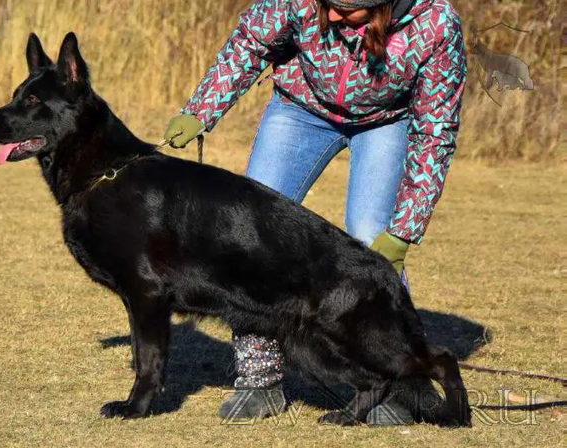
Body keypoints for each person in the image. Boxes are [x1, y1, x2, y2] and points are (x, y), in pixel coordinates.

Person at [163, 0, 466, 424]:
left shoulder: (435, 22)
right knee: (251, 237)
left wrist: (404, 229)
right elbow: (250, 41)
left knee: (371, 232)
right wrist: (200, 109)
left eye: (350, 12)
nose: (336, 17)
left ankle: (397, 386)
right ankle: (259, 379)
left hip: (386, 120)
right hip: (300, 108)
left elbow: (434, 131)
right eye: (330, 7)